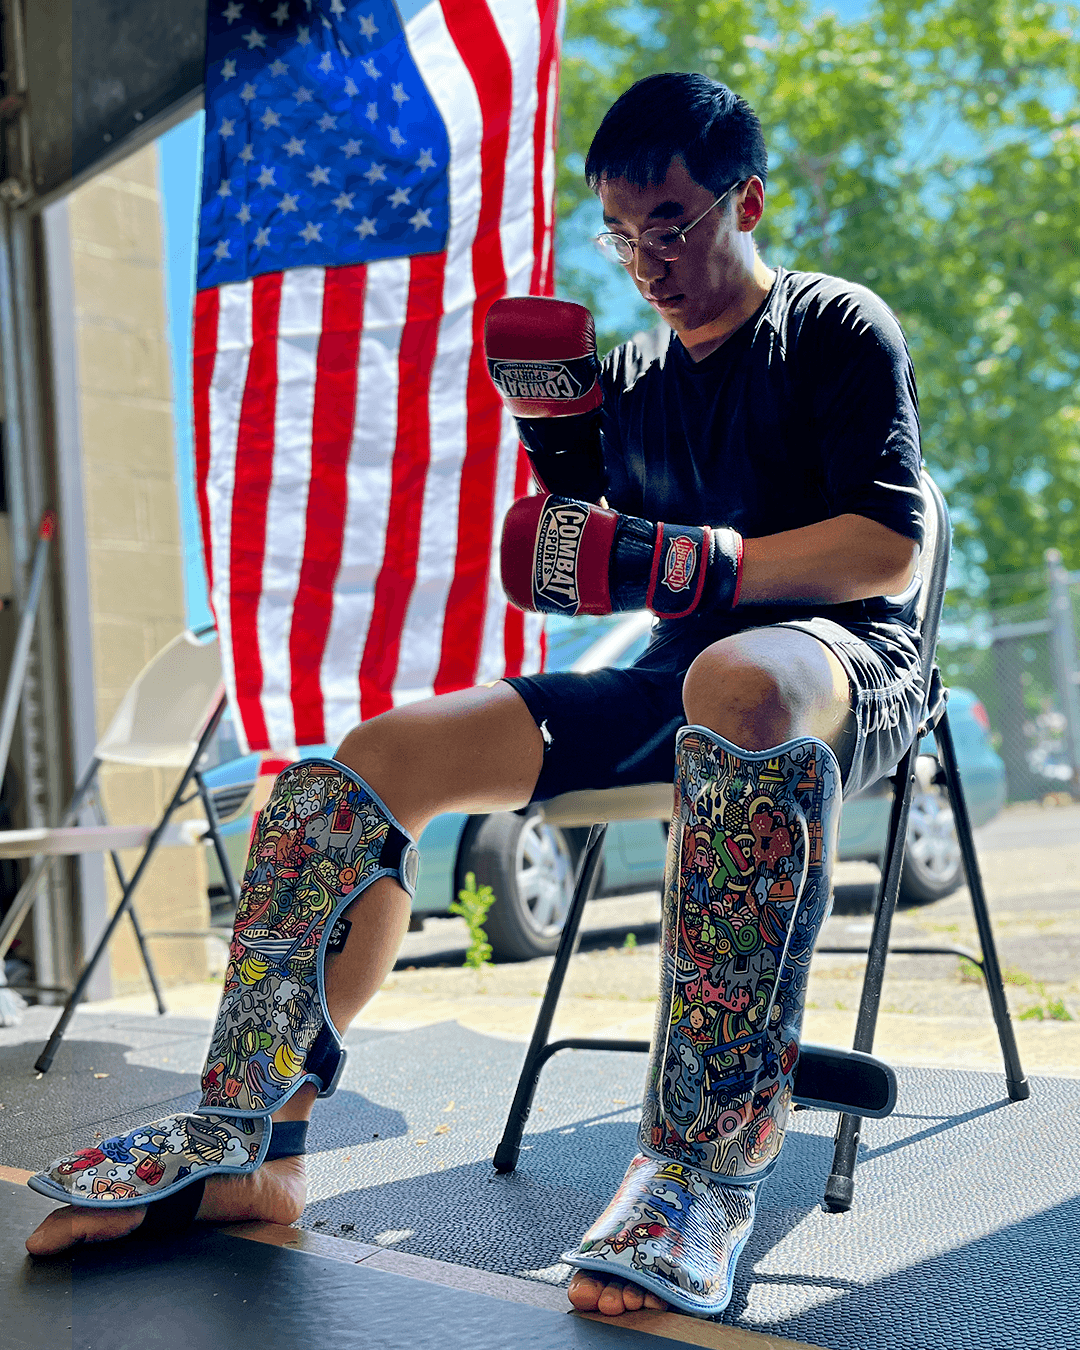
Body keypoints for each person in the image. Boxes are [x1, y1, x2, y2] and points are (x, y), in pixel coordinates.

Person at [25, 72, 924, 1321]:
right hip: (688, 681)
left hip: (845, 670)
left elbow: (891, 550)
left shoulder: (834, 325)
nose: (646, 258)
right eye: (621, 231)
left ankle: (706, 1162)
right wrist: (562, 463)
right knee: (371, 755)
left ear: (747, 201)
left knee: (734, 673)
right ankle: (254, 1134)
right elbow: (577, 554)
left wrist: (701, 560)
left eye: (669, 221)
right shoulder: (630, 377)